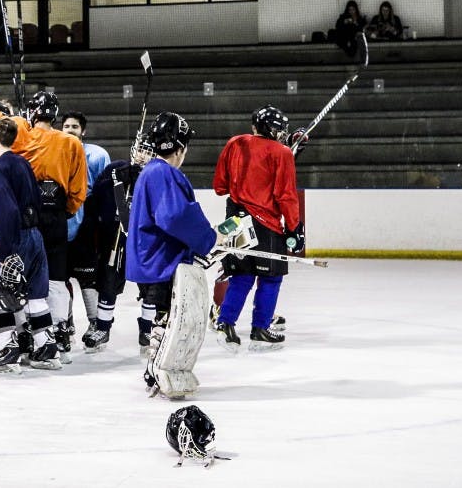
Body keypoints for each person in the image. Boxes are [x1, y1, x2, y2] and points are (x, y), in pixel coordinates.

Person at [0, 63, 87, 363]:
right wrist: (66, 212)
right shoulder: (72, 143)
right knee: (50, 284)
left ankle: (14, 341)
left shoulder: (20, 137)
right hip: (51, 222)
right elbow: (79, 190)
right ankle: (55, 335)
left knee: (4, 285)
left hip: (20, 226)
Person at [125, 112, 222, 390]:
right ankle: (157, 369)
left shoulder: (152, 172)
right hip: (160, 261)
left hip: (150, 259)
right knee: (168, 318)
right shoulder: (163, 173)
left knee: (164, 316)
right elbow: (175, 217)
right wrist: (206, 239)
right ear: (179, 148)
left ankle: (153, 367)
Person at [213, 105, 301, 351]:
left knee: (241, 276)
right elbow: (285, 195)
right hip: (265, 225)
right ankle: (260, 327)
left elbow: (220, 186)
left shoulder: (235, 143)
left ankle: (225, 324)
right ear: (273, 130)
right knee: (271, 278)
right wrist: (295, 228)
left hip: (236, 221)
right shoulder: (281, 152)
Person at [0, 118, 60, 372]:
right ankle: (46, 347)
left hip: (15, 238)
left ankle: (7, 349)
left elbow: (7, 209)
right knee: (36, 294)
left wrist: (5, 251)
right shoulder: (23, 162)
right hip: (36, 235)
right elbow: (36, 198)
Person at [80, 133, 154, 352]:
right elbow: (97, 198)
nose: (143, 156)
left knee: (150, 285)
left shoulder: (154, 176)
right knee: (108, 282)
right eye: (141, 150)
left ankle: (147, 329)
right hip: (115, 238)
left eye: (149, 152)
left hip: (144, 241)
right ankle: (103, 327)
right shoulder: (117, 170)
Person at [60, 110, 110, 339]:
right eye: (67, 126)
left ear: (83, 131)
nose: (70, 130)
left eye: (75, 127)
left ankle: (95, 324)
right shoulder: (55, 151)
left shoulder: (97, 155)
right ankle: (64, 322)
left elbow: (104, 192)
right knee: (59, 278)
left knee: (87, 276)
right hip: (61, 220)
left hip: (86, 223)